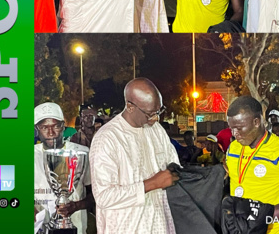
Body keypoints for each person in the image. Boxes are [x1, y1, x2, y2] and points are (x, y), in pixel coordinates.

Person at [89, 78, 180, 233]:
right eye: (150, 113)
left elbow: (173, 165)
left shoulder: (157, 130)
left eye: (159, 111)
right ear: (130, 107)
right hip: (126, 228)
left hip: (160, 226)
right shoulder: (107, 138)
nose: (156, 118)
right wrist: (151, 184)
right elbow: (104, 196)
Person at [225, 96, 279, 234]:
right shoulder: (233, 148)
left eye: (239, 128)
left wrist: (257, 220)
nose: (234, 134)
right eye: (231, 128)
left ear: (257, 122)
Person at [34, 103, 93, 234]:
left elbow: (96, 194)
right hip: (39, 228)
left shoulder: (82, 153)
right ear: (37, 129)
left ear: (63, 125)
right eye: (44, 127)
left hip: (75, 227)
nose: (51, 132)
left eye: (56, 126)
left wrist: (76, 206)